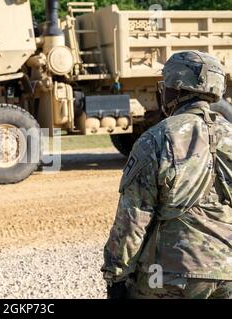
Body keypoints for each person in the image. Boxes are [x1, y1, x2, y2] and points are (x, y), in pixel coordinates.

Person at [102, 51, 232, 299]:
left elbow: (133, 218)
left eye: (166, 86)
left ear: (177, 90)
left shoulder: (157, 138)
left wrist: (115, 275)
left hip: (168, 275)